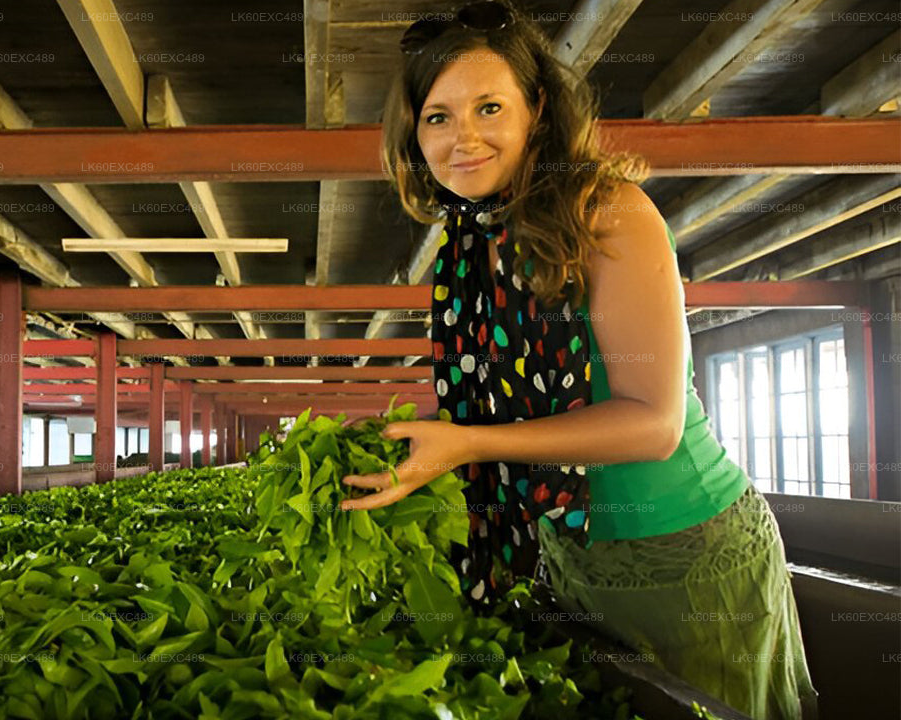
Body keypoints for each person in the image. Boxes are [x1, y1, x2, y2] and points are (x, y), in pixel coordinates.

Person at [337, 2, 818, 718]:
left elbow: (653, 426)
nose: (463, 137)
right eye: (437, 117)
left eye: (489, 108)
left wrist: (468, 444)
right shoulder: (474, 241)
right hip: (573, 559)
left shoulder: (608, 211)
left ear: (537, 110)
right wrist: (407, 440)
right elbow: (499, 402)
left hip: (687, 555)